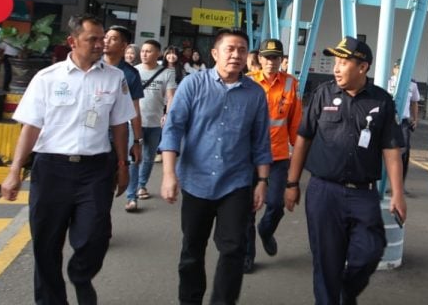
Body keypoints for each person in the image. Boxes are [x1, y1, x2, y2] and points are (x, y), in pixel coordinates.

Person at [0, 14, 135, 305]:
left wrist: (123, 166)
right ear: (72, 42)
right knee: (46, 244)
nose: (101, 44)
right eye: (93, 39)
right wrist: (14, 171)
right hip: (52, 169)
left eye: (103, 39)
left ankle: (81, 275)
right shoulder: (47, 79)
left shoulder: (115, 78)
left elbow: (120, 125)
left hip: (96, 169)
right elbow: (30, 128)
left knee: (95, 236)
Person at [284, 36, 406, 305]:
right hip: (324, 191)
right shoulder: (323, 94)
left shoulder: (382, 101)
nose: (336, 68)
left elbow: (391, 149)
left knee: (371, 251)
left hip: (363, 194)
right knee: (327, 262)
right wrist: (292, 183)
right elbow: (303, 138)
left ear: (363, 67)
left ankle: (345, 293)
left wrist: (398, 193)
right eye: (335, 62)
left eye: (343, 62)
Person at [159, 28, 271, 305]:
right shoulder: (193, 85)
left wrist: (262, 182)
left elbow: (260, 141)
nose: (236, 55)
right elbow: (173, 129)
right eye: (230, 49)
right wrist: (168, 174)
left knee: (234, 249)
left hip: (236, 183)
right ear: (214, 53)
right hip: (196, 182)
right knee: (192, 250)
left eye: (242, 50)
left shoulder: (255, 94)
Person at [243, 38, 302, 273]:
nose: (271, 62)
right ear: (260, 59)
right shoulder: (248, 82)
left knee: (276, 205)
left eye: (275, 57)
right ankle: (248, 254)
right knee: (247, 208)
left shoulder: (291, 84)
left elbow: (296, 124)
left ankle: (266, 231)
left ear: (281, 59)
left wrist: (298, 155)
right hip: (248, 156)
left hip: (277, 156)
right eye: (267, 57)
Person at [103, 26, 145, 212]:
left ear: (124, 45)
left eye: (113, 38)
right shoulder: (92, 66)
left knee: (106, 183)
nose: (106, 41)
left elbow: (135, 110)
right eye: (106, 37)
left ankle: (102, 221)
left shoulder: (130, 74)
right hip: (87, 134)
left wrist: (137, 141)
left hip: (115, 136)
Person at [130, 40, 177, 204]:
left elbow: (170, 96)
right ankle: (132, 190)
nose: (144, 54)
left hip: (155, 122)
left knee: (149, 157)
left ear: (158, 54)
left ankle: (141, 185)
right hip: (135, 122)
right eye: (142, 51)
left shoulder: (167, 73)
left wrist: (167, 114)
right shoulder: (134, 71)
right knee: (135, 156)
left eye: (149, 51)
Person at [387, 59, 420, 180]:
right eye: (398, 68)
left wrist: (415, 119)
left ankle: (400, 182)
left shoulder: (412, 84)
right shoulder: (387, 81)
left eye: (404, 69)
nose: (401, 71)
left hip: (403, 123)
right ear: (394, 69)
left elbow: (414, 102)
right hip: (388, 121)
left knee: (404, 151)